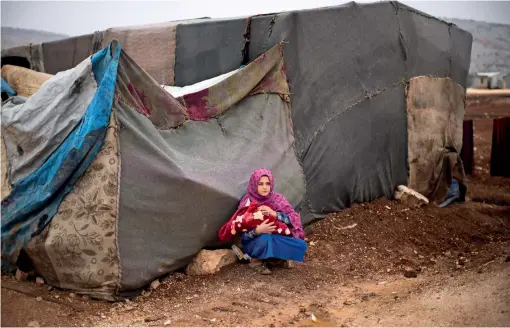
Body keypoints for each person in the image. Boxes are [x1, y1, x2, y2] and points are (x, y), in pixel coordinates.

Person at [238, 168, 307, 275]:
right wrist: (257, 231)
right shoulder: (247, 202)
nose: (265, 187)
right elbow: (242, 236)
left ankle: (274, 260)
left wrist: (275, 214)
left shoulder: (278, 199)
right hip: (255, 241)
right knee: (265, 239)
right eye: (260, 184)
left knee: (300, 245)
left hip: (275, 237)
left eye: (267, 183)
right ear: (254, 184)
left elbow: (294, 220)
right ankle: (256, 261)